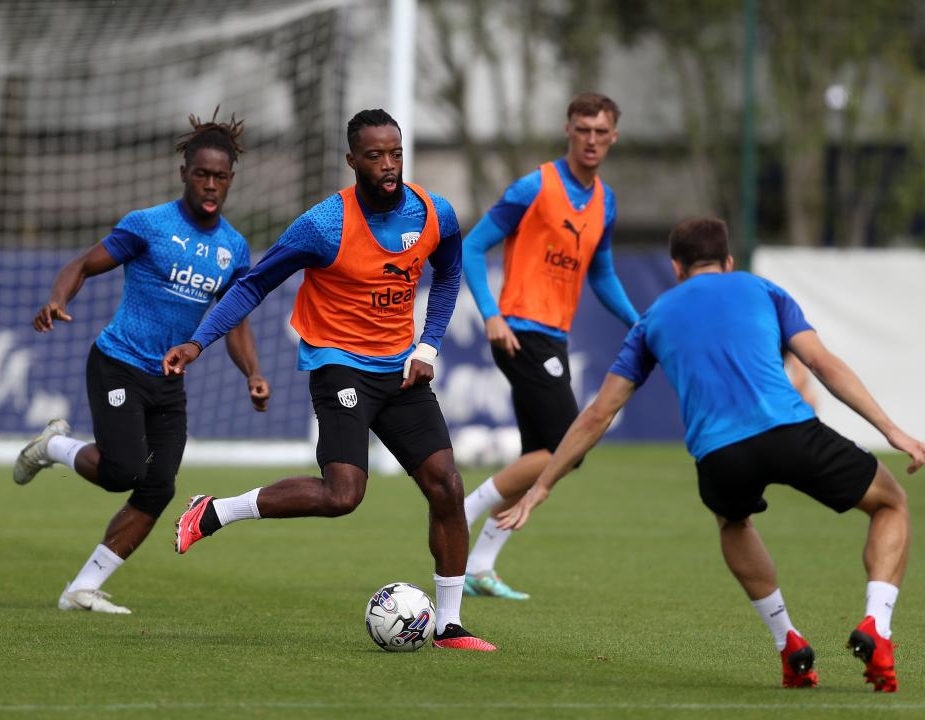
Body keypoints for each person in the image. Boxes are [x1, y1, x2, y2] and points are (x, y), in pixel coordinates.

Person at [499, 217, 922, 691]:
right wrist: (891, 430)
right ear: (728, 261)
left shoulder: (652, 319)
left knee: (733, 521)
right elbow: (822, 364)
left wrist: (541, 486)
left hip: (720, 454)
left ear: (676, 267)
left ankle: (789, 644)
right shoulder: (762, 289)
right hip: (790, 430)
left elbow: (599, 412)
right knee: (890, 503)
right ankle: (877, 626)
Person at [162, 109, 496, 652]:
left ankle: (450, 626)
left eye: (395, 153)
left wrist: (429, 343)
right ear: (352, 161)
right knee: (343, 496)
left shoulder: (434, 213)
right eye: (374, 156)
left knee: (447, 486)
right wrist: (198, 341)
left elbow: (450, 270)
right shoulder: (324, 225)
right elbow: (252, 286)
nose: (388, 166)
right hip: (339, 365)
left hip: (400, 368)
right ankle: (217, 511)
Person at [12, 110, 270, 615]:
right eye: (202, 174)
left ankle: (80, 589)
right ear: (184, 173)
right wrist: (57, 298)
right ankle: (55, 446)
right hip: (118, 364)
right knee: (121, 472)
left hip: (169, 381)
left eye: (220, 176)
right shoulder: (149, 225)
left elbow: (235, 320)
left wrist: (253, 374)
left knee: (159, 486)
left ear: (232, 179)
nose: (211, 185)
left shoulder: (234, 249)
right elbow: (83, 264)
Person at [461, 93, 639, 599]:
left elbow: (600, 273)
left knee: (539, 454)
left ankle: (480, 566)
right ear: (568, 129)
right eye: (583, 129)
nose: (591, 140)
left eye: (601, 132)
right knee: (568, 449)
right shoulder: (534, 185)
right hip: (519, 332)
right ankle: (463, 508)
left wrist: (637, 321)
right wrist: (491, 316)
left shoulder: (605, 201)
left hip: (552, 339)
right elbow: (474, 248)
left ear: (613, 137)